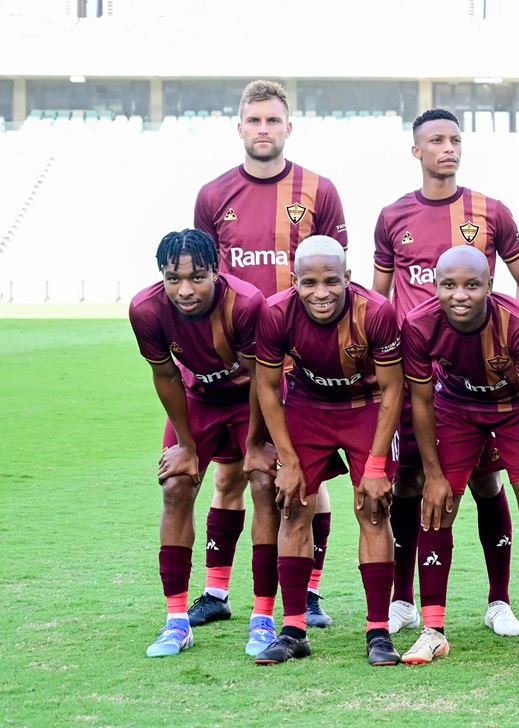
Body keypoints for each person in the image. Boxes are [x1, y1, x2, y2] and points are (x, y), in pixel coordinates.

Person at [372, 108, 519, 638]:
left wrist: (510, 345)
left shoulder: (491, 210)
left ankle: (499, 601)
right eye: (436, 140)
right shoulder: (392, 215)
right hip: (418, 375)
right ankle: (402, 600)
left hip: (481, 380)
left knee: (489, 482)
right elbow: (379, 297)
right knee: (410, 483)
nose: (449, 148)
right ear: (416, 151)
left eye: (455, 139)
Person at [193, 79, 348, 630]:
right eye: (254, 121)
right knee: (230, 476)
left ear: (288, 126)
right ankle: (215, 592)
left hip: (299, 361)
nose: (263, 129)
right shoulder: (214, 195)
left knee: (305, 480)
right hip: (235, 362)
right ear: (240, 127)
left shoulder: (319, 191)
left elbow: (334, 279)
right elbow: (201, 277)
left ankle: (308, 593)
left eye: (272, 120)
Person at [397, 246, 519, 667]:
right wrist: (431, 474)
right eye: (448, 285)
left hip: (514, 410)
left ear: (490, 285)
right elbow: (421, 401)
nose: (460, 295)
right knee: (438, 506)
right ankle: (433, 631)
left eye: (471, 285)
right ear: (435, 286)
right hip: (455, 410)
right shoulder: (418, 324)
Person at [252, 236, 405, 666]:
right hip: (308, 408)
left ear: (348, 278)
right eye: (310, 282)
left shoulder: (376, 312)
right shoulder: (275, 312)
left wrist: (376, 465)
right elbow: (266, 387)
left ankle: (378, 633)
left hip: (366, 407)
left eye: (331, 282)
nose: (321, 292)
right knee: (294, 507)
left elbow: (394, 388)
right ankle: (294, 628)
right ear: (294, 281)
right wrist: (289, 460)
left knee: (373, 507)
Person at [131, 229, 276, 658]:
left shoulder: (246, 303)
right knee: (176, 485)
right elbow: (166, 376)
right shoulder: (146, 309)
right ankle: (177, 621)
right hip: (198, 401)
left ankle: (263, 619)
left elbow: (263, 379)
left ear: (215, 270)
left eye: (196, 276)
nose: (185, 289)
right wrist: (187, 446)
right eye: (174, 278)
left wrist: (254, 443)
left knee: (265, 485)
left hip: (252, 399)